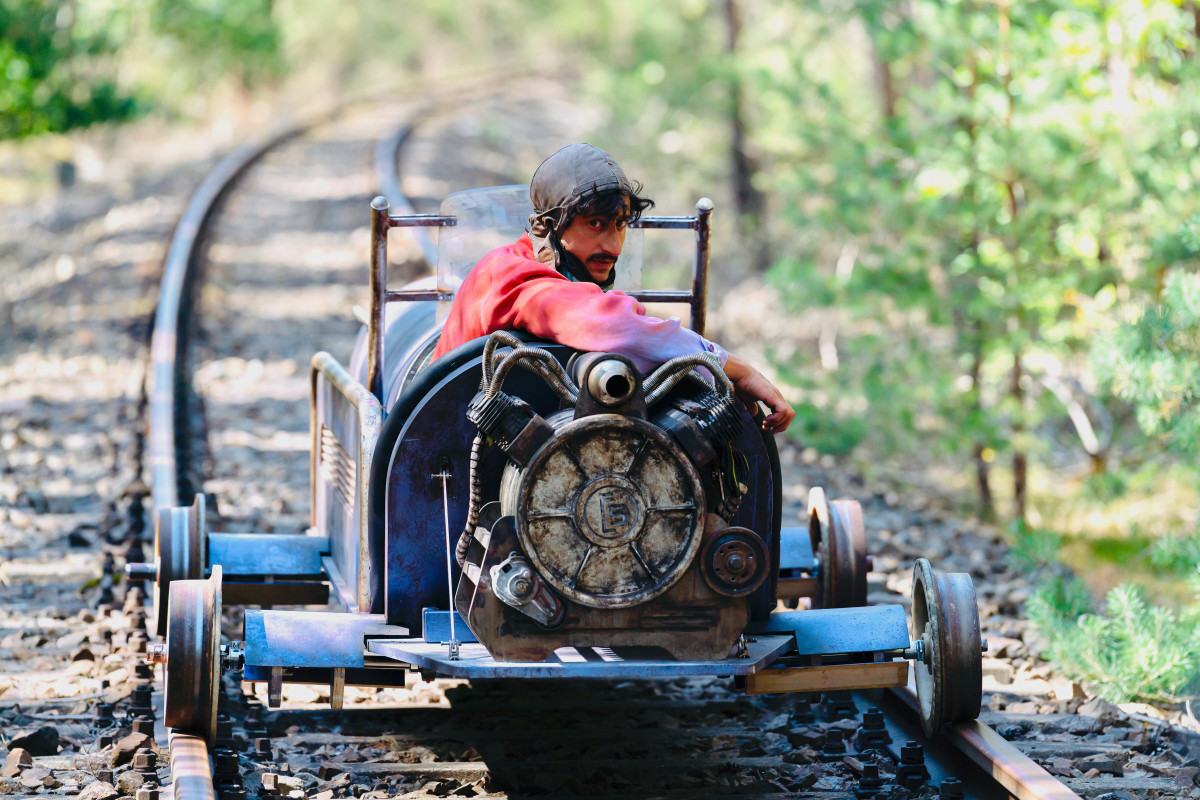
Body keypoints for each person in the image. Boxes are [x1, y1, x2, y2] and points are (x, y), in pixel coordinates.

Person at [431, 143, 794, 433]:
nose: (614, 245)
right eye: (595, 223)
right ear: (548, 227)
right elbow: (613, 326)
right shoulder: (512, 277)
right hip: (455, 465)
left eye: (620, 224)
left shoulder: (552, 276)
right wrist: (739, 371)